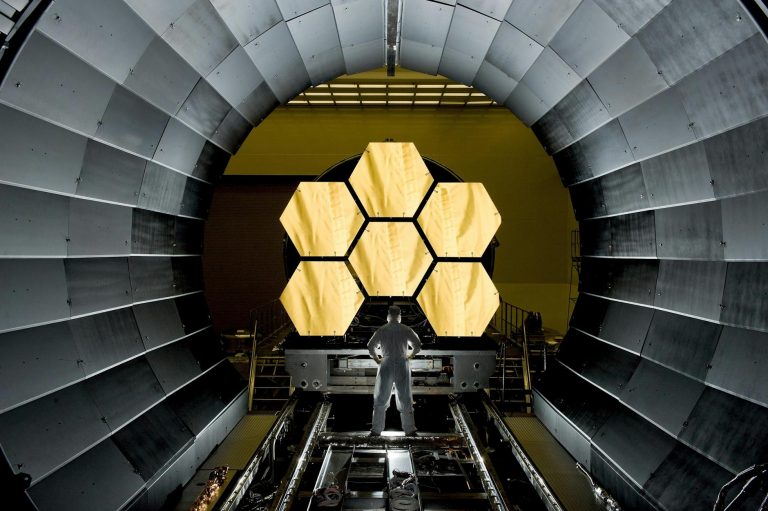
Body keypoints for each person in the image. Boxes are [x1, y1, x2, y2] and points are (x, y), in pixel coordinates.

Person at [367, 305, 422, 436]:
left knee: (381, 397)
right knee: (405, 397)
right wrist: (410, 355)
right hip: (402, 362)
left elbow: (370, 346)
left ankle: (376, 430)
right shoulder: (406, 329)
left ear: (388, 315)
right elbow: (417, 345)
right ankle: (410, 430)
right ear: (399, 315)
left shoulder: (382, 330)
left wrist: (377, 359)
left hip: (385, 363)